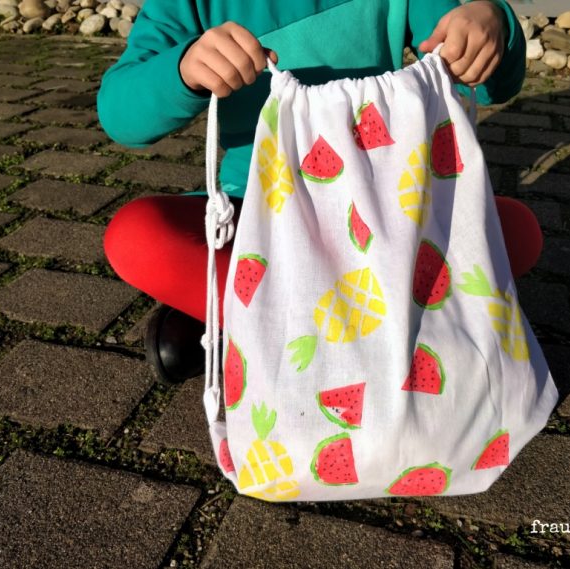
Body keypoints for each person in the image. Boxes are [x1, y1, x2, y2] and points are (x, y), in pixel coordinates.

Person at [98, 0, 542, 383]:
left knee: (518, 231)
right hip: (254, 207)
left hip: (381, 209)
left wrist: (490, 21)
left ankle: (231, 326)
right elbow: (122, 116)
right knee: (137, 237)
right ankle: (388, 341)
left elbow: (492, 82)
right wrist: (183, 69)